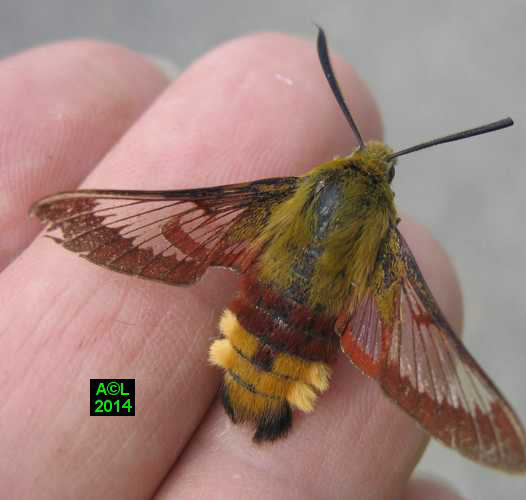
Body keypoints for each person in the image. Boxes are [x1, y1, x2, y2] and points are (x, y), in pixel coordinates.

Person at [0, 33, 465, 499]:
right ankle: (110, 403)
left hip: (236, 353)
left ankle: (106, 405)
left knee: (116, 398)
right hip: (289, 377)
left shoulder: (281, 198)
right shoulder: (387, 251)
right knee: (113, 397)